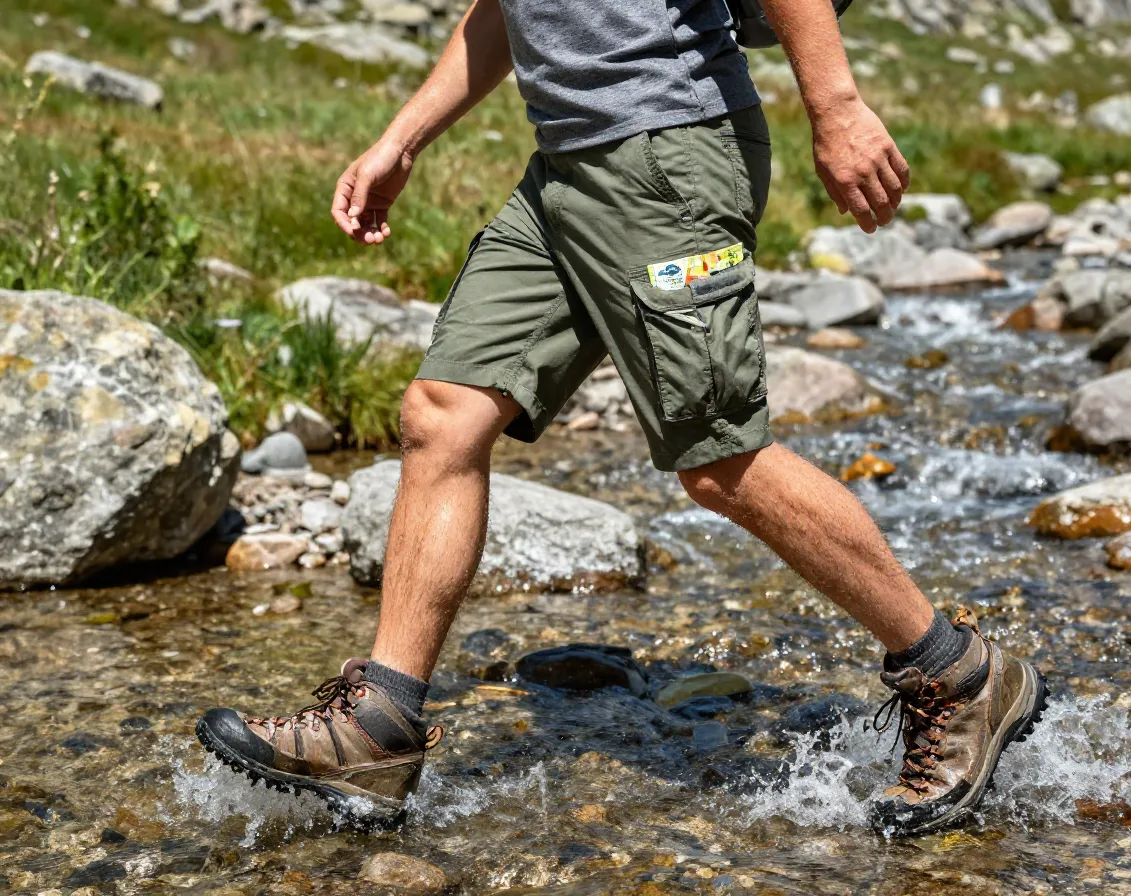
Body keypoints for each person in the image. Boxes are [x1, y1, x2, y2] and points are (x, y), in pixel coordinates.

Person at [196, 0, 1047, 837]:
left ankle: (959, 673)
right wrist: (402, 138)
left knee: (718, 460)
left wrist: (837, 106)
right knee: (444, 412)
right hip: (564, 169)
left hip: (665, 159)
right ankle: (377, 726)